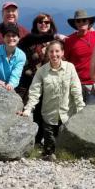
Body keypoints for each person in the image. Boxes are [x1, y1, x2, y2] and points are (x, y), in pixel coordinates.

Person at [18, 41, 84, 161]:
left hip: (67, 115)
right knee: (49, 150)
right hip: (49, 116)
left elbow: (76, 89)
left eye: (57, 51)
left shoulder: (70, 67)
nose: (54, 54)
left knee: (65, 150)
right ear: (47, 53)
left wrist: (81, 108)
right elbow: (34, 92)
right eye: (51, 51)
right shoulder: (42, 71)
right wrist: (28, 109)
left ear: (62, 52)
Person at [19, 13, 64, 144]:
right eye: (40, 22)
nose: (43, 24)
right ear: (36, 24)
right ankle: (28, 141)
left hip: (50, 82)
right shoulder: (29, 39)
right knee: (28, 111)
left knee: (48, 113)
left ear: (51, 24)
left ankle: (47, 142)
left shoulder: (56, 43)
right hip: (29, 81)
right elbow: (33, 39)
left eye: (47, 22)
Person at [64, 9, 95, 101]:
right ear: (75, 23)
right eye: (78, 21)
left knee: (93, 112)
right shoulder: (69, 40)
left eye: (84, 20)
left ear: (88, 22)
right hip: (76, 84)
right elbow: (66, 62)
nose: (81, 23)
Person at [0, 23, 27, 91]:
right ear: (3, 38)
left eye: (14, 35)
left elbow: (16, 74)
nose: (11, 38)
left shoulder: (21, 55)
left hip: (8, 88)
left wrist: (11, 84)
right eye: (8, 36)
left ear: (18, 38)